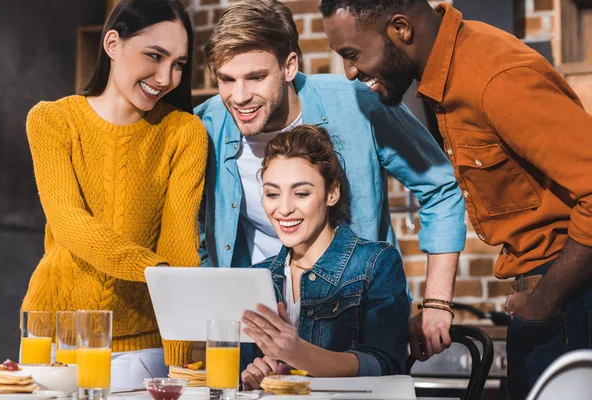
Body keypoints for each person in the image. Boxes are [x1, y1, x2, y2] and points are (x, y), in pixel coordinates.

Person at [319, 1, 592, 398]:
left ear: (401, 29)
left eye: (352, 54)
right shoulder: (447, 80)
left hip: (571, 305)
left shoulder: (494, 76)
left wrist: (546, 300)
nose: (350, 72)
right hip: (551, 305)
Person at [195, 0, 466, 361]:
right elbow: (195, 227)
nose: (239, 97)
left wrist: (436, 303)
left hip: (354, 320)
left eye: (256, 77)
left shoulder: (357, 102)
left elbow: (440, 186)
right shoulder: (207, 124)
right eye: (226, 80)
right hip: (258, 336)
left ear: (290, 65)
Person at [20, 0, 207, 388]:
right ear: (112, 43)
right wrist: (157, 274)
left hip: (144, 346)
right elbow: (69, 222)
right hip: (55, 337)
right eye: (154, 56)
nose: (167, 77)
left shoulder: (184, 133)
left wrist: (178, 363)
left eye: (178, 64)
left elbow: (179, 242)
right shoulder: (52, 120)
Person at [240, 125, 410, 389]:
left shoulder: (375, 262)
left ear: (332, 193)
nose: (284, 209)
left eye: (301, 193)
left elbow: (385, 366)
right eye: (272, 194)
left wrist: (298, 354)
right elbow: (249, 370)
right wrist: (254, 375)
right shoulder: (256, 277)